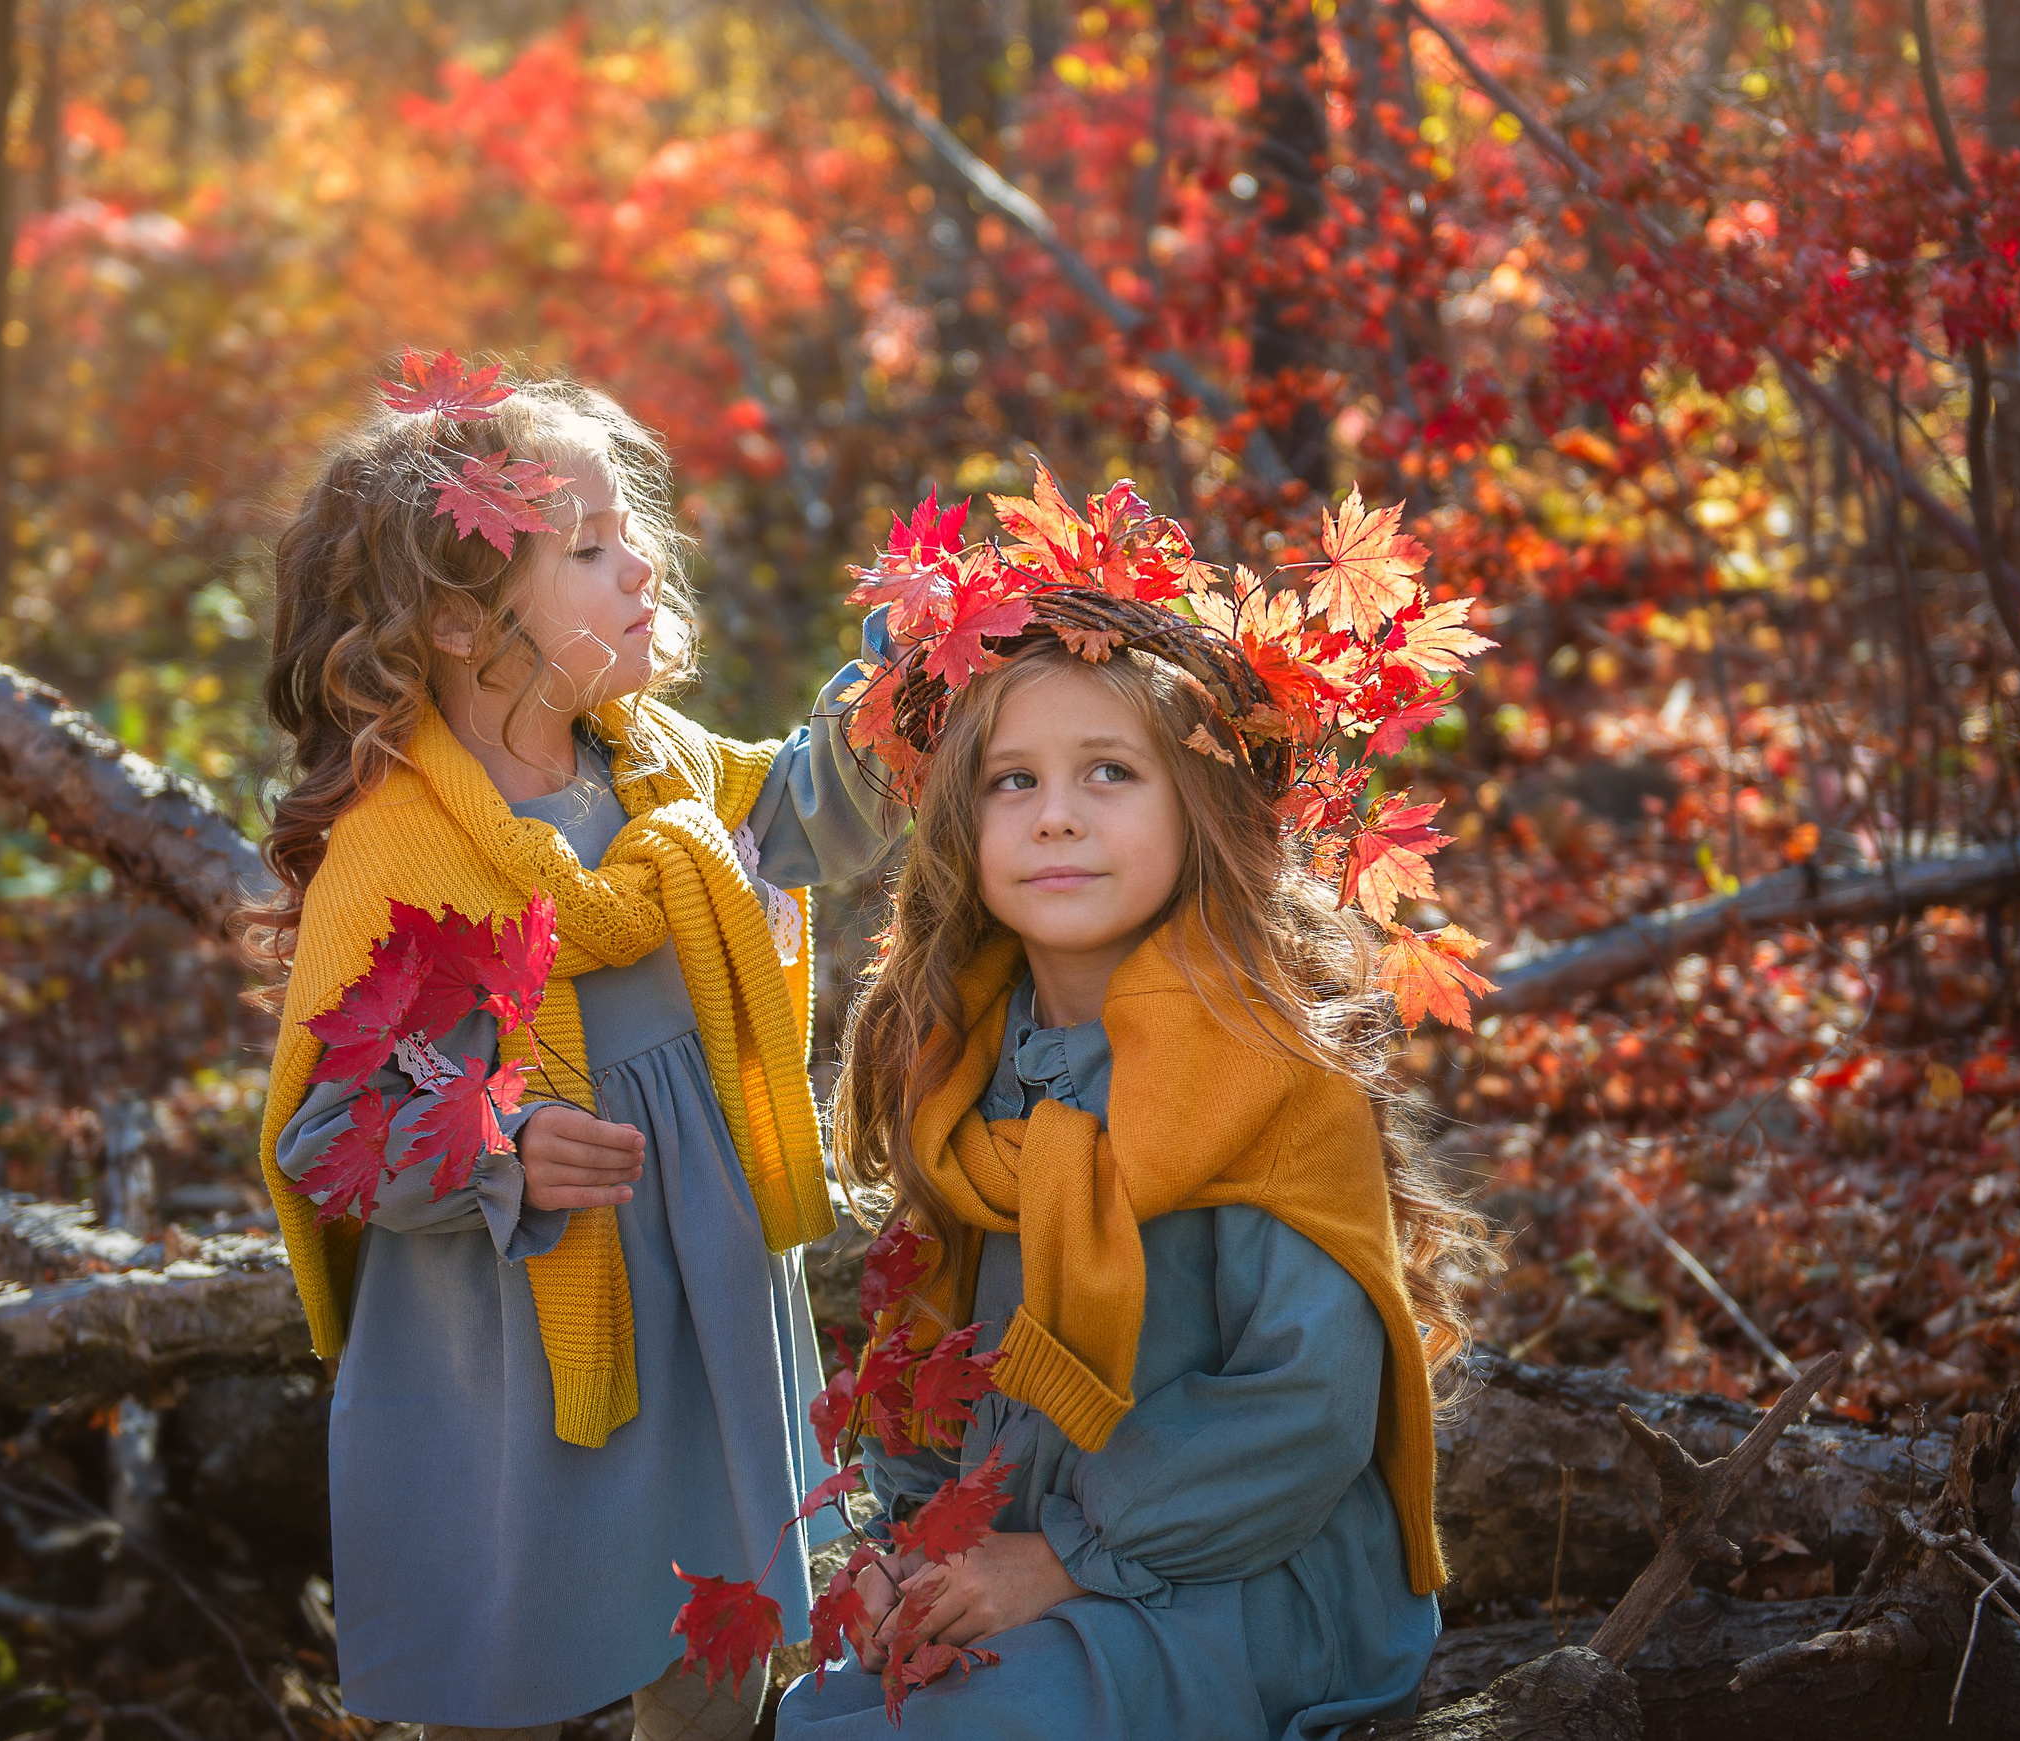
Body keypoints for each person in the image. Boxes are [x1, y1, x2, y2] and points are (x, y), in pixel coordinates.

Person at [251, 367, 894, 1741]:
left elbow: (791, 812)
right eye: (591, 548)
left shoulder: (654, 766)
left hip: (704, 1293)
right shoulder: (402, 858)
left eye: (630, 531)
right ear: (458, 620)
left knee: (718, 1635)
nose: (641, 562)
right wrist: (500, 1145)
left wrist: (903, 689)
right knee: (514, 1639)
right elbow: (330, 1136)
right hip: (508, 1343)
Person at [776, 586, 1488, 1739]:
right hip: (1016, 1546)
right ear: (963, 821)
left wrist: (1063, 1554)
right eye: (1014, 779)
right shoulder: (967, 1053)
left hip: (1240, 1572)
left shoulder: (1263, 1067)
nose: (1056, 816)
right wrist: (911, 1548)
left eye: (1109, 771)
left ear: (1197, 807)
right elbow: (934, 1349)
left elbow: (1305, 1407)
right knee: (825, 1713)